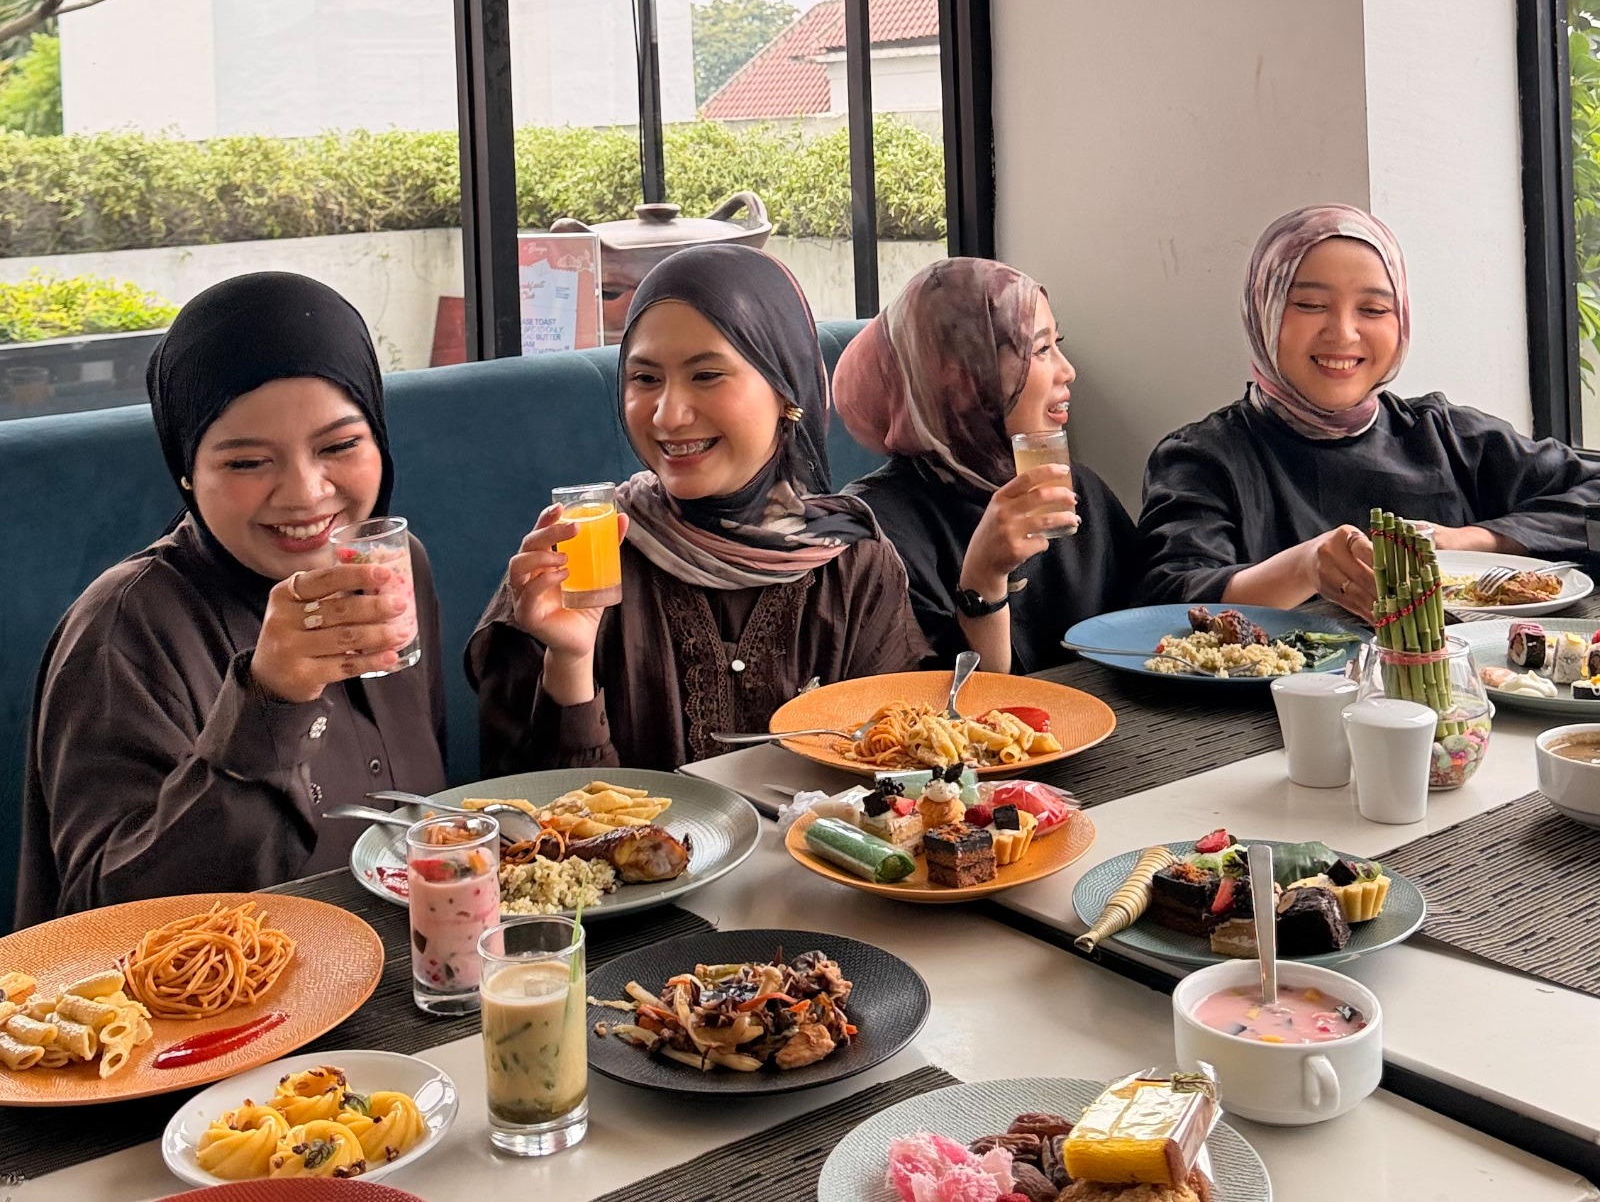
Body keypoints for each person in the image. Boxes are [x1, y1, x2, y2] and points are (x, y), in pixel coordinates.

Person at [15, 272, 446, 927]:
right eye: (246, 462)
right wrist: (270, 703)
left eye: (339, 446)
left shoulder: (394, 568)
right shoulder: (123, 629)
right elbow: (106, 923)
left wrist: (560, 660)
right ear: (186, 473)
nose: (305, 493)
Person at [467, 244, 930, 772]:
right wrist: (569, 662)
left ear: (787, 391)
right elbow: (517, 812)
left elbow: (898, 779)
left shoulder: (851, 564)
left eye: (706, 375)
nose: (667, 415)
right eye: (645, 379)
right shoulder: (578, 561)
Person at [1137, 203, 1600, 619]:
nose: (1343, 332)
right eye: (1310, 304)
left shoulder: (1443, 435)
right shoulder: (1203, 457)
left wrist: (1469, 541)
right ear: (1263, 310)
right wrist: (1304, 568)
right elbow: (1167, 596)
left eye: (1374, 309)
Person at [831, 258, 1138, 673]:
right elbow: (933, 709)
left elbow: (1155, 642)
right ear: (962, 379)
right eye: (1041, 350)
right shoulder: (873, 532)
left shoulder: (1080, 490)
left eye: (1057, 344)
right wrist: (984, 581)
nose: (1068, 371)